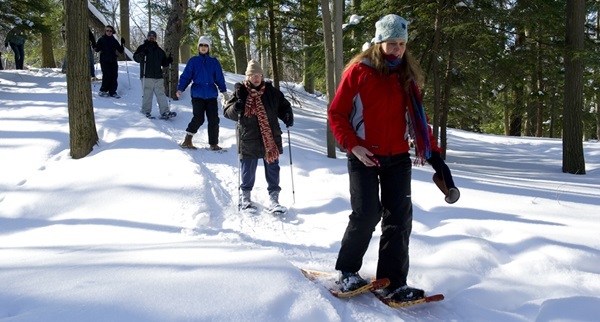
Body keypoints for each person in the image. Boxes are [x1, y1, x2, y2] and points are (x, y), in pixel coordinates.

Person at [328, 14, 444, 303]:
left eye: (402, 44)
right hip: (364, 156)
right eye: (392, 43)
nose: (398, 50)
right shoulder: (358, 72)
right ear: (379, 43)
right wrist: (353, 146)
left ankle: (393, 281)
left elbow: (419, 120)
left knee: (399, 219)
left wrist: (435, 155)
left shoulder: (405, 76)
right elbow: (337, 114)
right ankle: (347, 271)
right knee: (367, 213)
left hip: (398, 157)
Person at [223, 60, 293, 214]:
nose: (256, 78)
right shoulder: (241, 92)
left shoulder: (271, 92)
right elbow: (227, 112)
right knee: (248, 169)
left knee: (273, 168)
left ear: (262, 75)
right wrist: (236, 107)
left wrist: (287, 115)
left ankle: (274, 199)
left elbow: (283, 106)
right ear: (248, 76)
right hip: (249, 137)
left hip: (270, 137)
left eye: (258, 75)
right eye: (252, 75)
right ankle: (246, 197)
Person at [177, 35, 228, 150]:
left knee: (214, 119)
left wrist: (224, 92)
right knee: (199, 118)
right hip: (198, 94)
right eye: (201, 45)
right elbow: (186, 77)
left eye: (206, 45)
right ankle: (187, 140)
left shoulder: (214, 62)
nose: (203, 47)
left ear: (209, 47)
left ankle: (213, 144)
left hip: (211, 94)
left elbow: (219, 78)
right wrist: (180, 89)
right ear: (198, 47)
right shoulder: (193, 61)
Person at [133, 30, 175, 119]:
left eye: (153, 36)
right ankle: (145, 111)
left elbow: (164, 63)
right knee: (147, 94)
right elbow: (136, 58)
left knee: (161, 94)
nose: (151, 37)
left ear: (155, 38)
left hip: (158, 76)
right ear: (147, 37)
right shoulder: (142, 47)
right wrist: (142, 53)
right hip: (146, 75)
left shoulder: (159, 51)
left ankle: (165, 112)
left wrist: (168, 61)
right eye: (150, 36)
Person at [95, 25, 124, 98]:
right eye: (107, 30)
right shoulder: (101, 39)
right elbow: (97, 49)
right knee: (106, 75)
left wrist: (122, 44)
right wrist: (95, 46)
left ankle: (113, 91)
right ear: (105, 31)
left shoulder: (114, 40)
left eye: (110, 31)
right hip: (104, 60)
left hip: (113, 60)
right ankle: (103, 90)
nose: (109, 32)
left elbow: (120, 50)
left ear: (112, 32)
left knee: (114, 75)